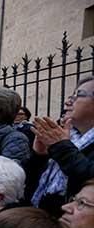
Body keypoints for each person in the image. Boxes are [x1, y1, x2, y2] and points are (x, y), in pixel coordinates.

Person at [30, 76, 94, 217]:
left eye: (78, 95)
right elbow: (30, 183)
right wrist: (39, 156)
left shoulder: (62, 143)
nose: (67, 102)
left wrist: (61, 146)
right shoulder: (69, 135)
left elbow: (89, 178)